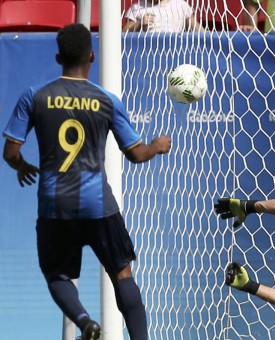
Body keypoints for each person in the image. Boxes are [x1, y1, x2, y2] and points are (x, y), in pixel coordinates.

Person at [2, 24, 171, 340]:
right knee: (122, 273)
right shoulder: (106, 100)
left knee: (57, 276)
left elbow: (11, 152)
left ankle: (85, 323)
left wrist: (22, 166)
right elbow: (135, 155)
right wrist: (157, 146)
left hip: (55, 204)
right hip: (98, 203)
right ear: (92, 56)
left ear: (57, 57)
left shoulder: (35, 96)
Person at [123, 0, 205, 32]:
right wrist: (139, 23)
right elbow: (123, 32)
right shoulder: (137, 7)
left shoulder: (180, 5)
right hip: (147, 54)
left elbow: (199, 30)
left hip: (176, 51)